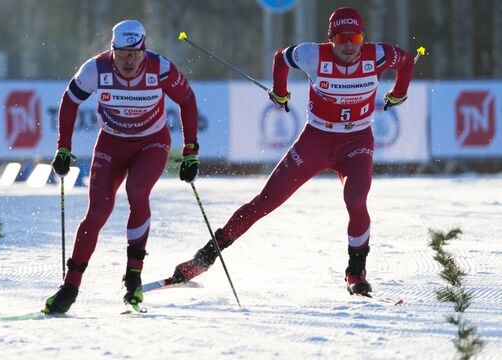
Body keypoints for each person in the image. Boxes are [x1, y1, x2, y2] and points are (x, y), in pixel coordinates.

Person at [171, 7, 414, 297]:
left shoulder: (378, 55)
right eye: (341, 37)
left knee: (356, 200)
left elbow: (407, 62)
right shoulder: (313, 55)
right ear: (331, 38)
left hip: (356, 143)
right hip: (317, 140)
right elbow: (281, 58)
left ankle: (356, 271)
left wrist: (399, 94)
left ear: (363, 37)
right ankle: (204, 258)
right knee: (265, 201)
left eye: (356, 37)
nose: (349, 45)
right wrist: (280, 91)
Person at [44, 20, 200, 313]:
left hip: (151, 143)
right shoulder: (95, 69)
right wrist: (63, 147)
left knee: (137, 191)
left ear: (144, 50)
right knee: (97, 211)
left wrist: (191, 151)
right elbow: (69, 101)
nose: (129, 60)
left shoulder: (161, 68)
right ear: (112, 49)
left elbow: (187, 100)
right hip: (111, 144)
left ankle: (133, 279)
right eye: (123, 53)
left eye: (135, 53)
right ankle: (70, 286)